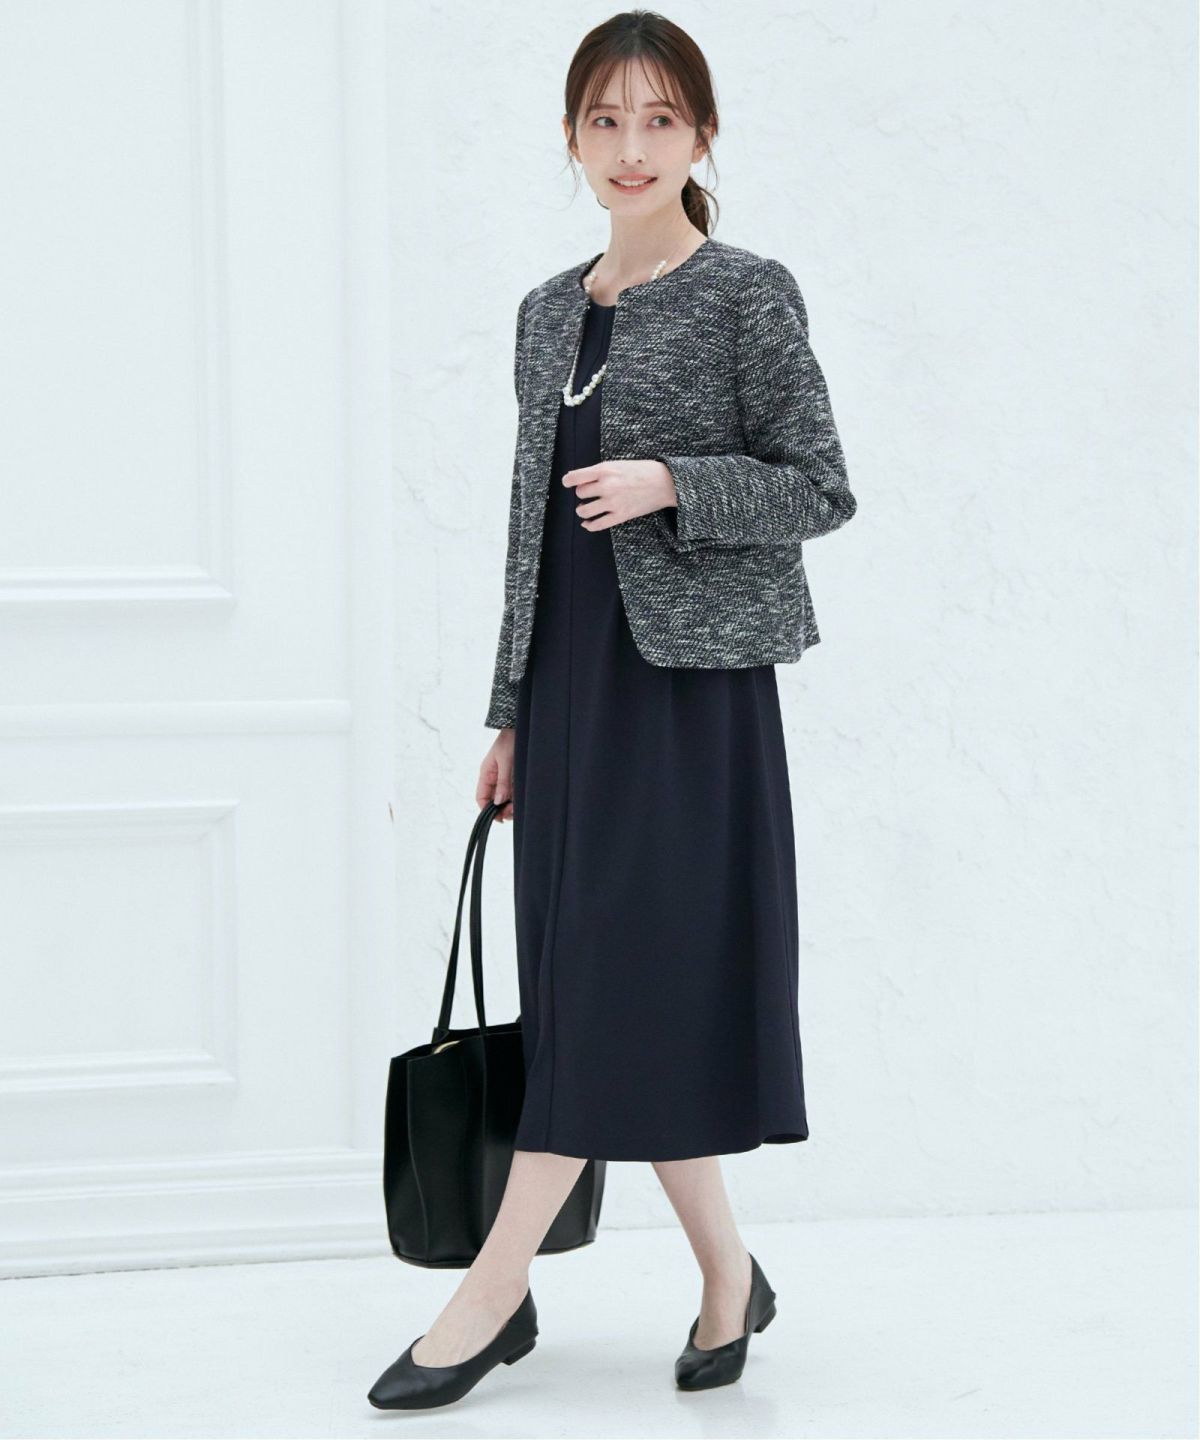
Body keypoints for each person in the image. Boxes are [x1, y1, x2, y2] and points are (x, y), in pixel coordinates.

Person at [369, 8, 856, 1411]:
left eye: (658, 119)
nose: (630, 147)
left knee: (609, 990)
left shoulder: (748, 293)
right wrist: (509, 712)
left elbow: (821, 485)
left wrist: (673, 483)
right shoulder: (547, 311)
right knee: (604, 991)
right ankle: (730, 1277)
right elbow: (527, 528)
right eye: (605, 120)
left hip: (689, 703)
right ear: (572, 138)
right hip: (570, 695)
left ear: (702, 136)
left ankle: (492, 1290)